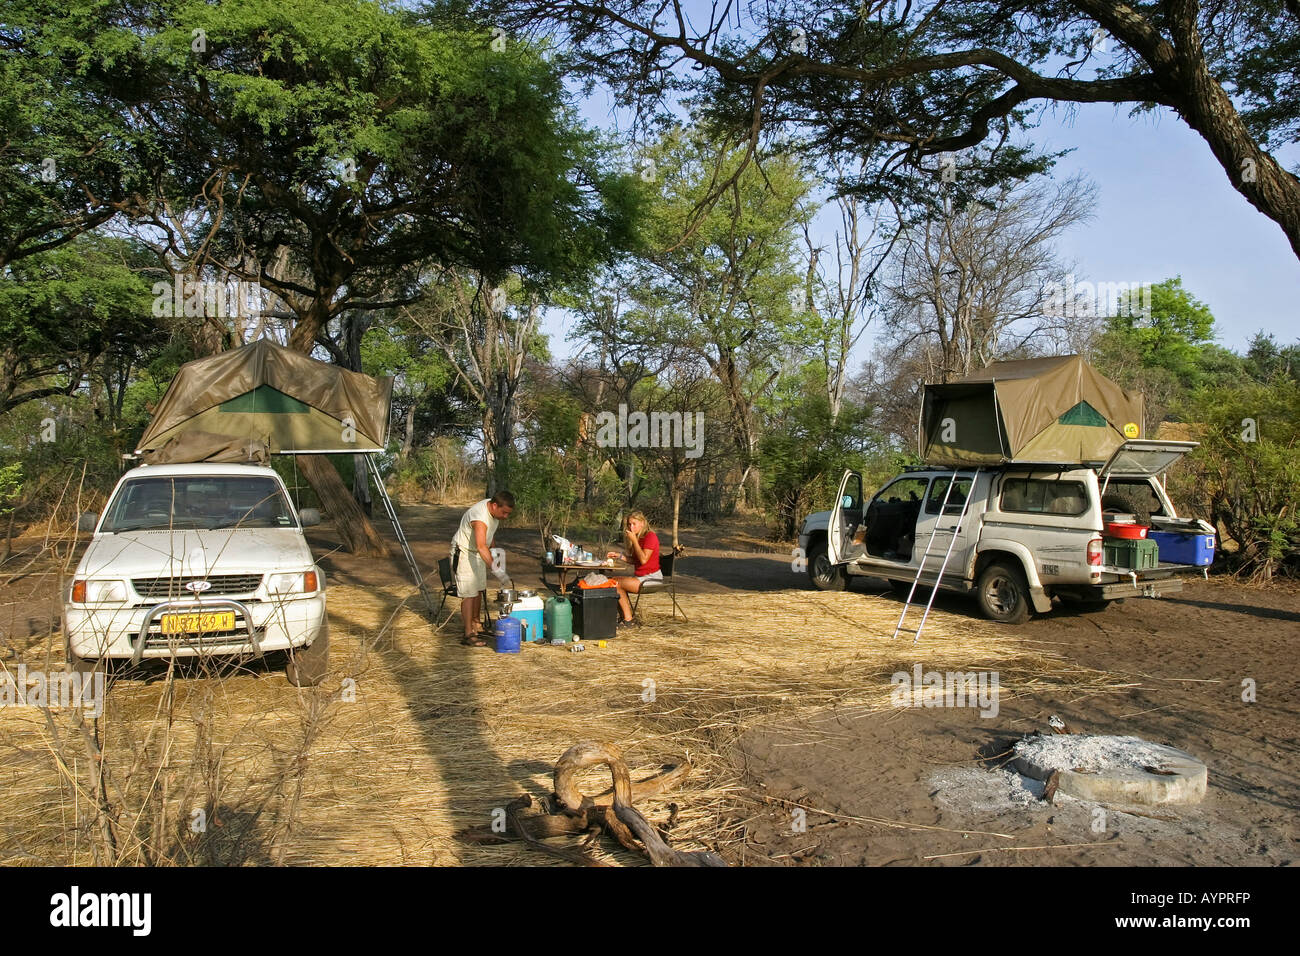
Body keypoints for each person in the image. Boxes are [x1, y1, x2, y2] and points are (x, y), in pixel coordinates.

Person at [451, 490, 515, 646]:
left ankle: (476, 625)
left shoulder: (493, 511)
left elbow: (489, 535)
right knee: (469, 593)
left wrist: (494, 551)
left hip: (477, 552)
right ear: (494, 505)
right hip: (465, 552)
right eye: (504, 513)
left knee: (479, 589)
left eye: (508, 514)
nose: (505, 516)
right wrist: (497, 569)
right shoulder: (480, 517)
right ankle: (468, 635)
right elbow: (481, 545)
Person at [605, 511, 661, 629]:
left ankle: (628, 620)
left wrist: (634, 540)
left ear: (642, 523)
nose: (631, 527)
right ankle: (625, 618)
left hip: (652, 578)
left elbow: (643, 560)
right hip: (641, 578)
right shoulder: (638, 538)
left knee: (614, 583)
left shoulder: (650, 536)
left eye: (634, 524)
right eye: (629, 525)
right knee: (612, 581)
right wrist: (619, 556)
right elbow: (635, 560)